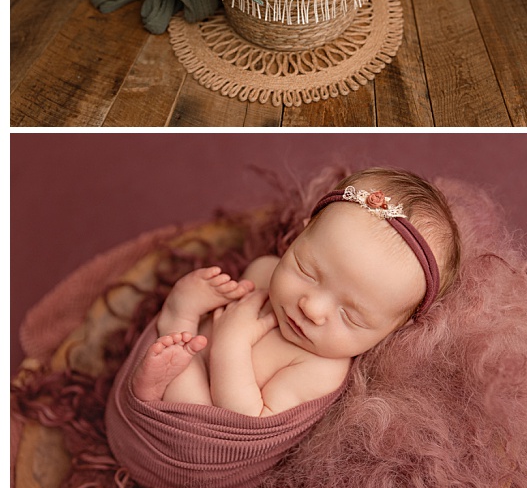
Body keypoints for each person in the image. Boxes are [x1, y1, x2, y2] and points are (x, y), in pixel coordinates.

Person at [128, 167, 458, 416]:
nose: (311, 308)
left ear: (392, 331)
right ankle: (179, 317)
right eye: (306, 270)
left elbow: (247, 420)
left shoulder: (322, 369)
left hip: (203, 433)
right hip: (187, 356)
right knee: (186, 344)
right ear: (299, 237)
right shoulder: (264, 271)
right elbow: (216, 314)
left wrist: (232, 343)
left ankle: (169, 343)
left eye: (350, 315)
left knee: (192, 400)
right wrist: (208, 298)